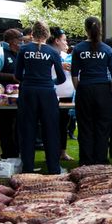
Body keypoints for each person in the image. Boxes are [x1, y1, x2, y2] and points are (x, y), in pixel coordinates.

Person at [14, 21, 67, 174]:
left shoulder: (24, 50)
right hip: (47, 93)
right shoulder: (52, 52)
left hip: (28, 91)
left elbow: (17, 75)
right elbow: (62, 78)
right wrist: (50, 82)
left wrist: (29, 80)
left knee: (27, 130)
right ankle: (53, 167)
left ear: (32, 34)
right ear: (47, 35)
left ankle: (28, 168)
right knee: (50, 130)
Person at [71, 17, 112, 165]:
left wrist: (80, 88)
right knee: (102, 127)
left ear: (85, 29)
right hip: (103, 91)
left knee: (85, 126)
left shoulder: (78, 49)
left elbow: (74, 75)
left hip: (85, 89)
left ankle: (86, 161)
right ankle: (101, 160)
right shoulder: (106, 50)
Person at [0, 28, 22, 159]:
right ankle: (8, 156)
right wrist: (11, 77)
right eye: (20, 40)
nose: (22, 43)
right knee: (6, 127)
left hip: (17, 97)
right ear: (12, 41)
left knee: (18, 128)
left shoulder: (18, 53)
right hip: (2, 100)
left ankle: (17, 156)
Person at [47, 27, 74, 162]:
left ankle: (62, 152)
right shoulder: (48, 54)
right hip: (52, 95)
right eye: (64, 40)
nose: (66, 43)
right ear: (57, 41)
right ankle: (51, 153)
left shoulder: (65, 56)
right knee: (51, 125)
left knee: (63, 125)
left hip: (67, 96)